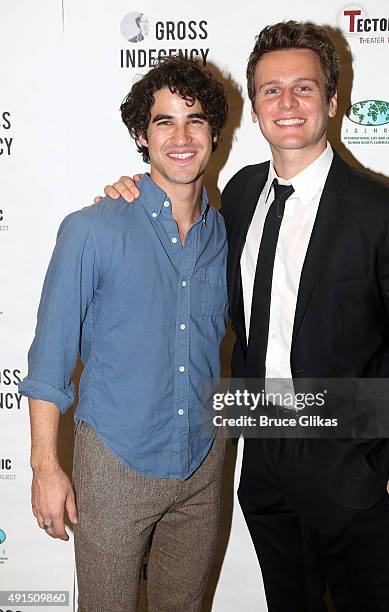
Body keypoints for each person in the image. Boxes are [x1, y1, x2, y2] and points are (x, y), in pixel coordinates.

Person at [100, 21, 389, 612]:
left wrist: (387, 478)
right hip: (264, 461)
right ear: (256, 109)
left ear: (333, 102)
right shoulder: (236, 194)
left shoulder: (387, 213)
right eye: (270, 90)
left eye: (304, 88)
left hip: (355, 468)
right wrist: (128, 195)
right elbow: (178, 228)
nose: (286, 103)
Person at [19, 56, 229, 612]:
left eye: (195, 120)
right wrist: (45, 468)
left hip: (204, 463)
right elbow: (48, 362)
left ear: (214, 133)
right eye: (164, 122)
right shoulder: (92, 229)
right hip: (116, 462)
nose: (181, 137)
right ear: (142, 134)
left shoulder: (226, 233)